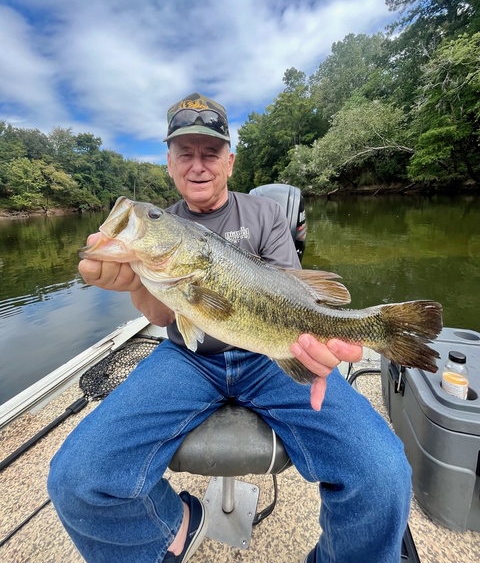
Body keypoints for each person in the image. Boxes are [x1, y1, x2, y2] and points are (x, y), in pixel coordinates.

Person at [48, 93, 412, 563]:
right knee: (76, 478)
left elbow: (291, 301)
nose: (198, 165)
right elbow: (164, 317)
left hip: (270, 357)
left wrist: (315, 348)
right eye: (185, 153)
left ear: (230, 162)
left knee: (383, 475)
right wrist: (134, 283)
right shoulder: (162, 231)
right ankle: (174, 523)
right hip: (188, 359)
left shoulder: (265, 215)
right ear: (170, 163)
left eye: (210, 152)